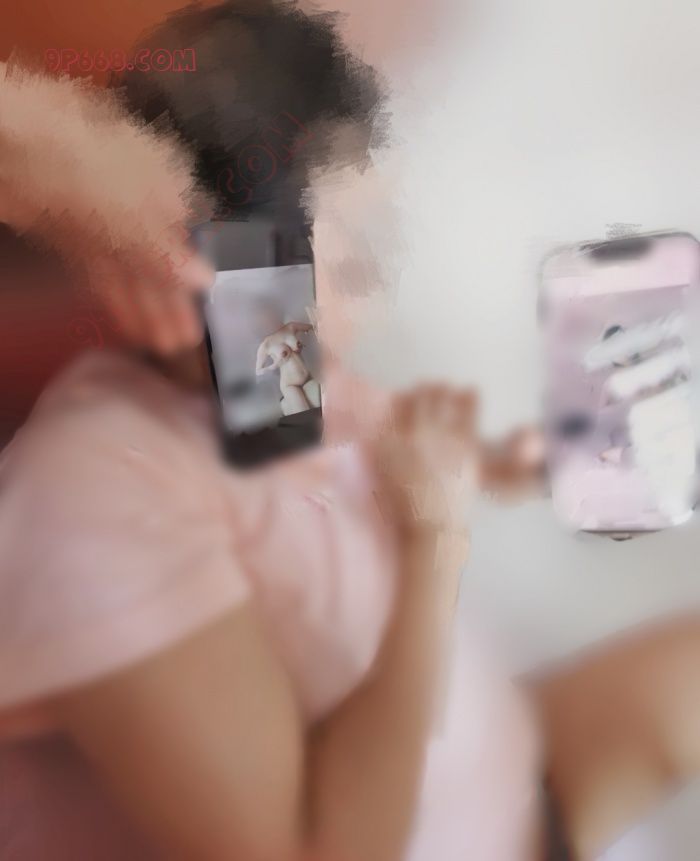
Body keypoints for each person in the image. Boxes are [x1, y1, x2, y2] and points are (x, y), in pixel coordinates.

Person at [3, 5, 700, 861]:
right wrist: (434, 545)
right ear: (227, 273)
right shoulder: (101, 496)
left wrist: (517, 460)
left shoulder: (286, 384)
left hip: (518, 776)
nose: (369, 308)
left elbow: (391, 441)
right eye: (357, 264)